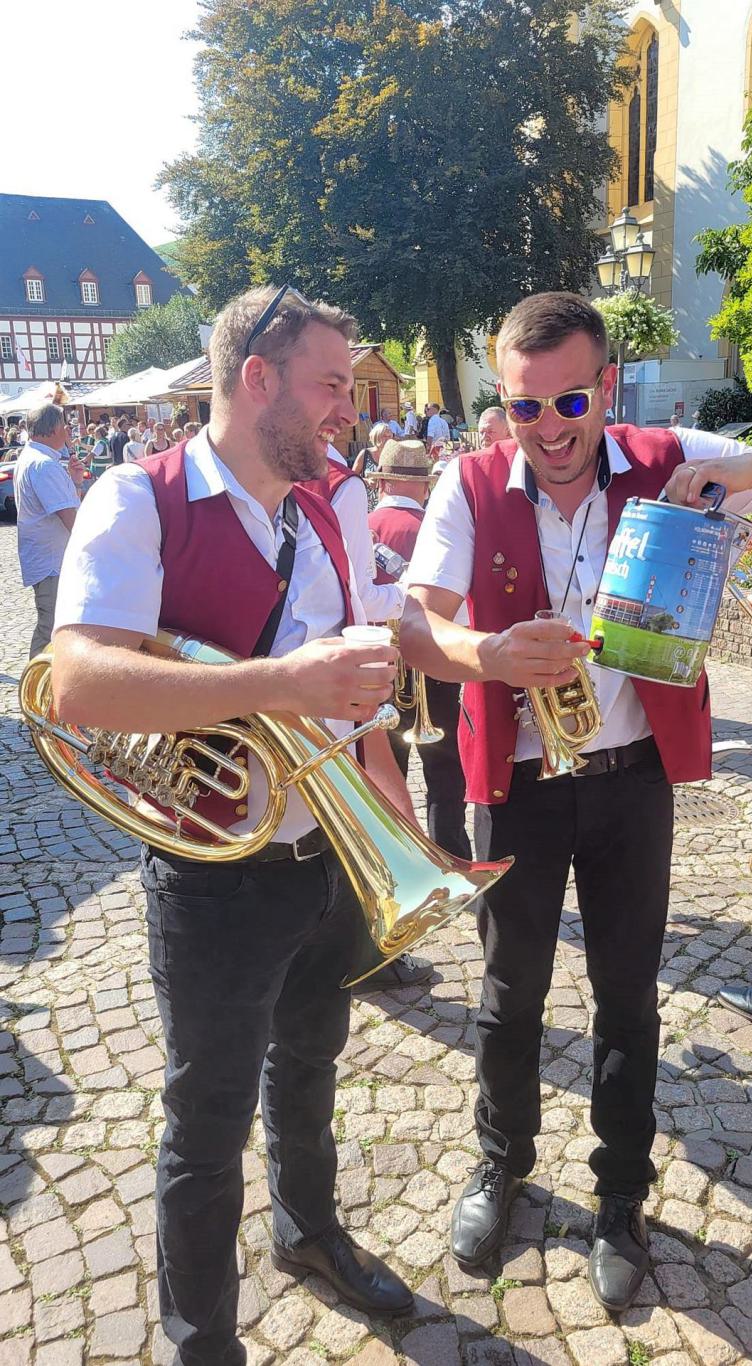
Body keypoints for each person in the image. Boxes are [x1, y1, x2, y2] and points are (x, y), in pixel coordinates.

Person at [51, 284, 415, 1365]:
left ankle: (308, 1231)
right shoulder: (138, 499)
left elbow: (359, 666)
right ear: (257, 381)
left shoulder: (325, 505)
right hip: (214, 873)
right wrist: (281, 681)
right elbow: (76, 683)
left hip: (327, 854)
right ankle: (202, 1341)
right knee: (205, 1127)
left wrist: (391, 796)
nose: (348, 408)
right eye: (330, 387)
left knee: (311, 1061)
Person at [401, 290, 752, 1312]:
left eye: (570, 402)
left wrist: (731, 471)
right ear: (502, 404)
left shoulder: (657, 457)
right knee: (510, 992)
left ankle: (620, 1195)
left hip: (631, 782)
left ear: (604, 387)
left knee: (628, 996)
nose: (550, 429)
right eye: (525, 408)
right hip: (517, 783)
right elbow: (417, 623)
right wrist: (488, 652)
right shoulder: (468, 483)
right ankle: (501, 1162)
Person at [300, 441, 432, 995]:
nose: (346, 412)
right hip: (349, 677)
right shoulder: (340, 483)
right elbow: (360, 599)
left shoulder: (332, 483)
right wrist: (420, 600)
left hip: (320, 689)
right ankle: (369, 950)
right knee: (369, 809)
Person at [370, 438, 471, 863]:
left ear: (384, 481)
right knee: (446, 769)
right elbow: (461, 614)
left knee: (384, 768)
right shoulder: (441, 529)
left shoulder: (362, 525)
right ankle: (450, 855)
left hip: (379, 666)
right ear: (424, 486)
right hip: (437, 664)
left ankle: (391, 858)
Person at [13, 403, 82, 656]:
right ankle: (35, 688)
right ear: (54, 428)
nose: (67, 429)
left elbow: (64, 505)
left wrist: (74, 482)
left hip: (49, 558)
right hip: (53, 561)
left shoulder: (35, 458)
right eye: (64, 424)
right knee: (52, 627)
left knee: (57, 624)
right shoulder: (44, 464)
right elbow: (68, 517)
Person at [352, 420, 391, 510]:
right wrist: (367, 481)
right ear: (376, 437)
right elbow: (352, 476)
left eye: (390, 436)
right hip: (365, 503)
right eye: (384, 436)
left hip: (386, 503)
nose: (388, 439)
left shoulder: (392, 456)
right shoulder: (365, 454)